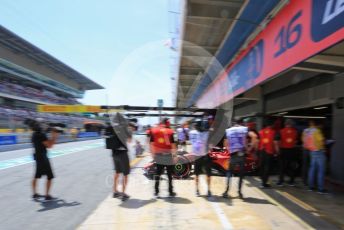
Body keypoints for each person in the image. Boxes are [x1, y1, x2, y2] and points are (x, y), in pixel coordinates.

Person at [223, 119, 255, 199]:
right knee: (241, 174)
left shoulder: (228, 130)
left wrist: (229, 149)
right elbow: (254, 136)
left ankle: (226, 191)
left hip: (233, 155)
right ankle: (240, 192)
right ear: (241, 123)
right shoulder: (244, 129)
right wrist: (249, 148)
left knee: (229, 173)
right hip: (242, 155)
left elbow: (225, 143)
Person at [106, 114, 133, 201]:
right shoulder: (124, 127)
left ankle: (115, 191)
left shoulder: (111, 127)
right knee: (125, 174)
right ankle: (123, 193)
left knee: (117, 173)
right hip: (122, 154)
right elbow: (130, 140)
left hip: (114, 154)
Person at [31, 119, 59, 201]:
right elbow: (50, 146)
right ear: (39, 126)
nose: (45, 126)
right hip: (43, 157)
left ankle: (35, 194)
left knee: (36, 176)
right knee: (50, 176)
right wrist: (54, 137)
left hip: (37, 156)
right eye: (43, 124)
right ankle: (47, 195)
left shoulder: (34, 134)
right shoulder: (42, 135)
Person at [150, 118, 176, 198]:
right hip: (168, 156)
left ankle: (156, 192)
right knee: (169, 175)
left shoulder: (154, 131)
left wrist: (153, 154)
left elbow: (151, 143)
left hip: (158, 155)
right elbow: (173, 145)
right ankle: (170, 192)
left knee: (158, 174)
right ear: (167, 123)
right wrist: (175, 155)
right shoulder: (170, 132)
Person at [302, 120, 327, 194]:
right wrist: (324, 146)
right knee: (321, 170)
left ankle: (311, 187)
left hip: (311, 151)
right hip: (319, 151)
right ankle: (320, 189)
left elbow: (303, 140)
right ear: (316, 125)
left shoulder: (305, 131)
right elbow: (322, 140)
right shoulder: (317, 131)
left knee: (312, 169)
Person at [189, 121, 211, 197]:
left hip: (197, 156)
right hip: (204, 156)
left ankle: (197, 190)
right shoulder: (206, 133)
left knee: (197, 174)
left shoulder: (191, 133)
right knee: (207, 174)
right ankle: (207, 190)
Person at [277, 119, 298, 186]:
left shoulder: (281, 131)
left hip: (283, 150)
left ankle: (280, 182)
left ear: (285, 124)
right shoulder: (295, 131)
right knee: (292, 166)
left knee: (282, 166)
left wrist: (278, 150)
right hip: (292, 151)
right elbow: (295, 142)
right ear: (291, 124)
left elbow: (278, 142)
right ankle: (291, 182)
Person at [259, 118, 279, 188]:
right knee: (267, 167)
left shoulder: (261, 132)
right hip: (269, 152)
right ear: (272, 124)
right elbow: (275, 143)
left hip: (262, 151)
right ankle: (264, 183)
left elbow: (258, 141)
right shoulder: (274, 132)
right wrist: (277, 152)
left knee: (262, 166)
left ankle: (262, 181)